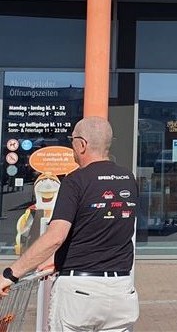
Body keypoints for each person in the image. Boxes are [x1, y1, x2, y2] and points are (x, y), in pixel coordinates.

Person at [0, 116, 139, 331]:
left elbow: (55, 237)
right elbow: (101, 227)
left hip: (80, 294)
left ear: (81, 144)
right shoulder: (128, 179)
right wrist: (57, 259)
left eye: (72, 140)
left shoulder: (75, 180)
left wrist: (10, 274)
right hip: (121, 291)